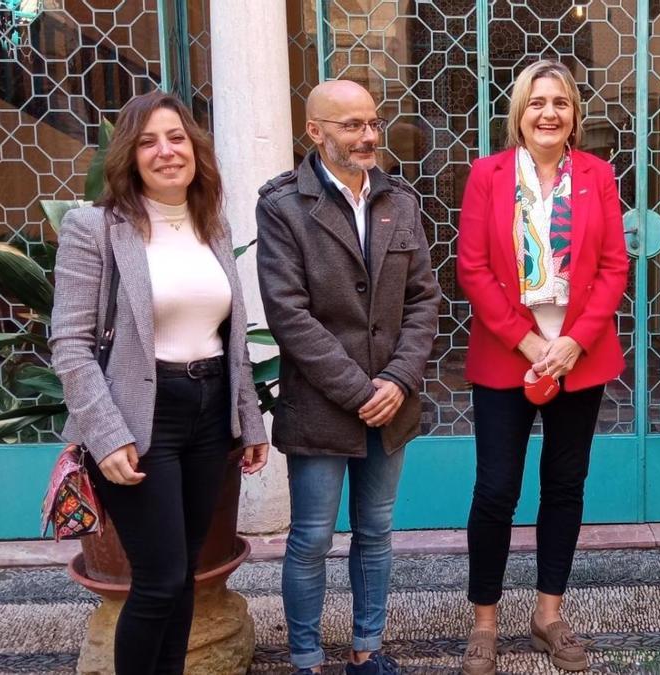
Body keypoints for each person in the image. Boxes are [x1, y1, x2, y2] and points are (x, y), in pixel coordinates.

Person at [50, 91, 269, 675]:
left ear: (195, 150)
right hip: (139, 418)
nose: (166, 152)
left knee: (186, 578)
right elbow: (69, 342)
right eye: (148, 141)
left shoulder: (211, 226)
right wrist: (106, 433)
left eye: (176, 138)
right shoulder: (94, 228)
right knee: (158, 581)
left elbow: (232, 336)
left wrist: (248, 419)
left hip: (208, 410)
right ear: (129, 155)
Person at [256, 80, 441, 675]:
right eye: (350, 125)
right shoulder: (284, 205)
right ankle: (306, 657)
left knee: (377, 531)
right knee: (311, 536)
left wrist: (399, 378)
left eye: (372, 122)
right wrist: (362, 391)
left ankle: (368, 648)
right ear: (315, 131)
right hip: (322, 404)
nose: (367, 136)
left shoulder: (399, 201)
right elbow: (288, 312)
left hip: (393, 399)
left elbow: (424, 300)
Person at [454, 59, 629, 675]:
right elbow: (471, 267)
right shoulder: (487, 175)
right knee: (496, 489)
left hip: (579, 358)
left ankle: (548, 615)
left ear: (574, 114)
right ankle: (485, 621)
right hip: (509, 355)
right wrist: (529, 344)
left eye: (560, 102)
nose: (548, 113)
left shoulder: (599, 176)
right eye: (536, 103)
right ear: (519, 116)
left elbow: (613, 267)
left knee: (564, 485)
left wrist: (576, 340)